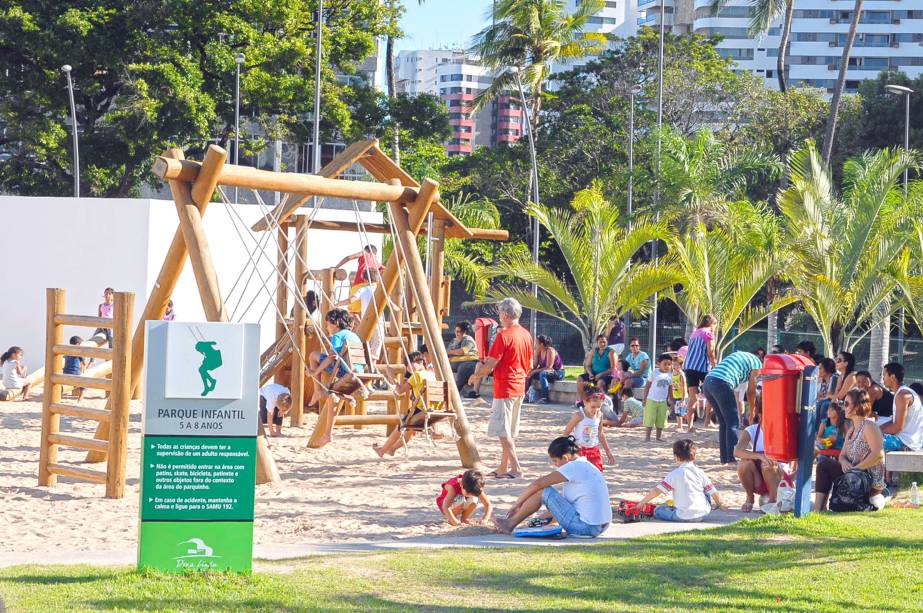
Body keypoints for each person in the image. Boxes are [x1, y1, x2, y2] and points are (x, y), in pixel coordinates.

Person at [492, 436, 612, 537]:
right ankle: (515, 522)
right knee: (548, 495)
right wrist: (535, 522)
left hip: (586, 527)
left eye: (555, 461)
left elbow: (538, 484)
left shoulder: (573, 467)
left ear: (565, 457)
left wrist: (517, 504)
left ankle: (509, 524)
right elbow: (562, 507)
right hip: (599, 527)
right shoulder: (587, 465)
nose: (555, 465)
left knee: (543, 491)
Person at [469, 298, 533, 480]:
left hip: (505, 387)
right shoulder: (526, 335)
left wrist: (477, 375)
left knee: (503, 432)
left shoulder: (504, 336)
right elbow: (529, 364)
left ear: (505, 315)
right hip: (519, 386)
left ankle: (516, 468)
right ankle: (503, 466)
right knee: (509, 430)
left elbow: (490, 363)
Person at [814, 389, 886, 511]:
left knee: (826, 464)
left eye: (846, 404)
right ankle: (818, 510)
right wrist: (844, 463)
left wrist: (856, 468)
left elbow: (878, 455)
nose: (844, 407)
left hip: (867, 481)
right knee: (823, 465)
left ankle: (819, 510)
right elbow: (841, 456)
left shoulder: (869, 426)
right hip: (853, 475)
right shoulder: (852, 430)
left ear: (858, 405)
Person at [636, 439, 723, 522]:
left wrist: (642, 503)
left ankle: (662, 510)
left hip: (682, 515)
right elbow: (713, 491)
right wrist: (719, 504)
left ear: (676, 457)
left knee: (658, 510)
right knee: (706, 489)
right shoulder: (700, 472)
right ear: (695, 456)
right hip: (703, 513)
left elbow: (657, 491)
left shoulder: (675, 474)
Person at [702, 350, 761, 464]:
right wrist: (753, 410)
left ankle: (725, 458)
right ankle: (731, 458)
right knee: (733, 422)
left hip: (708, 382)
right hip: (721, 383)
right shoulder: (757, 364)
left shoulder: (739, 355)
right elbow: (751, 391)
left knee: (724, 422)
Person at [374, 352, 437, 457]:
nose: (408, 368)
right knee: (408, 431)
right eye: (406, 366)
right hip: (433, 408)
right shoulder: (431, 374)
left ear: (421, 362)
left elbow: (400, 391)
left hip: (421, 409)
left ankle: (382, 450)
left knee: (401, 426)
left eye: (409, 364)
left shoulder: (416, 375)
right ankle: (392, 449)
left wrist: (391, 377)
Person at [734, 407, 793, 511]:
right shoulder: (751, 430)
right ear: (760, 416)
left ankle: (773, 500)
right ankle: (750, 497)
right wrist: (759, 456)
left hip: (779, 478)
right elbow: (737, 451)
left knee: (767, 464)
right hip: (759, 479)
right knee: (743, 464)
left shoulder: (782, 429)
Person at [306, 308, 362, 410]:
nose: (327, 327)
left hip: (345, 371)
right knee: (333, 387)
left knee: (313, 355)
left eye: (327, 324)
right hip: (358, 371)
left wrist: (315, 372)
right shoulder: (354, 335)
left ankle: (317, 390)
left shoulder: (337, 335)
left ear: (335, 323)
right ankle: (348, 398)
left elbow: (331, 357)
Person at [563, 391, 615, 471]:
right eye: (593, 407)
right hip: (579, 450)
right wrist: (565, 450)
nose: (596, 409)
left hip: (594, 450)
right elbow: (566, 433)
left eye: (599, 407)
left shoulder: (599, 415)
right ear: (585, 402)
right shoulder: (579, 416)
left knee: (596, 473)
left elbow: (600, 434)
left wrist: (608, 453)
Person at [880, 362, 923, 452]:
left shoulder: (902, 395)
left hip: (906, 444)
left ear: (892, 377)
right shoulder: (900, 393)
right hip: (902, 440)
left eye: (884, 375)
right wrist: (877, 428)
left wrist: (877, 432)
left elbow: (897, 427)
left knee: (867, 442)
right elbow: (894, 421)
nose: (882, 378)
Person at [684, 315, 718, 428]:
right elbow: (710, 353)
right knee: (711, 395)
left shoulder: (694, 333)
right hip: (702, 367)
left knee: (692, 397)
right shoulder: (709, 333)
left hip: (689, 366)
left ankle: (689, 426)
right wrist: (716, 366)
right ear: (711, 324)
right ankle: (707, 421)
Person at [643, 354, 674, 442]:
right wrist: (644, 398)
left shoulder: (670, 375)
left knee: (661, 419)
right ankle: (647, 437)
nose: (667, 366)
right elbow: (647, 386)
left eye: (669, 364)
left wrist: (671, 400)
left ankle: (658, 437)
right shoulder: (654, 373)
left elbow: (670, 388)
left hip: (663, 401)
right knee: (650, 418)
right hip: (651, 400)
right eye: (665, 364)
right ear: (658, 363)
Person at [526, 335, 565, 404]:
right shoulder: (538, 350)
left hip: (558, 372)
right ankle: (525, 394)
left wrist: (534, 371)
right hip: (544, 371)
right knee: (529, 374)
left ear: (541, 344)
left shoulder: (550, 350)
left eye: (537, 343)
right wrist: (529, 371)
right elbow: (534, 366)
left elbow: (549, 367)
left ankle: (545, 398)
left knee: (542, 373)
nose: (535, 344)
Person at [447, 321, 480, 397]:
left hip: (470, 361)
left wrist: (449, 352)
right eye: (455, 331)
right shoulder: (453, 341)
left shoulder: (468, 339)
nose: (456, 333)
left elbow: (462, 351)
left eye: (458, 331)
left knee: (464, 368)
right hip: (455, 362)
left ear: (464, 332)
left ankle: (455, 392)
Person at [63, 336, 86, 402]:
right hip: (75, 374)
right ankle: (80, 398)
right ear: (77, 345)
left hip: (65, 373)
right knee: (84, 384)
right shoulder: (78, 352)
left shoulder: (66, 352)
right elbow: (84, 363)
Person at [672, 353, 689, 433]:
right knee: (678, 412)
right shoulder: (673, 373)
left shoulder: (681, 375)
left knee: (680, 413)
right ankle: (681, 425)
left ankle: (681, 426)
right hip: (676, 395)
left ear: (680, 365)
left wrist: (683, 398)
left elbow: (684, 387)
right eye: (673, 364)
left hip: (681, 396)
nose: (674, 366)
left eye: (676, 364)